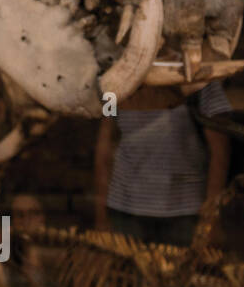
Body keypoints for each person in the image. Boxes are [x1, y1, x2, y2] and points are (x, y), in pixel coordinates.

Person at [94, 82, 232, 248]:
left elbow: (220, 149)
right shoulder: (120, 79)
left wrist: (212, 216)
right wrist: (101, 212)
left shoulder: (200, 80)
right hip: (125, 212)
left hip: (184, 213)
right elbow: (107, 141)